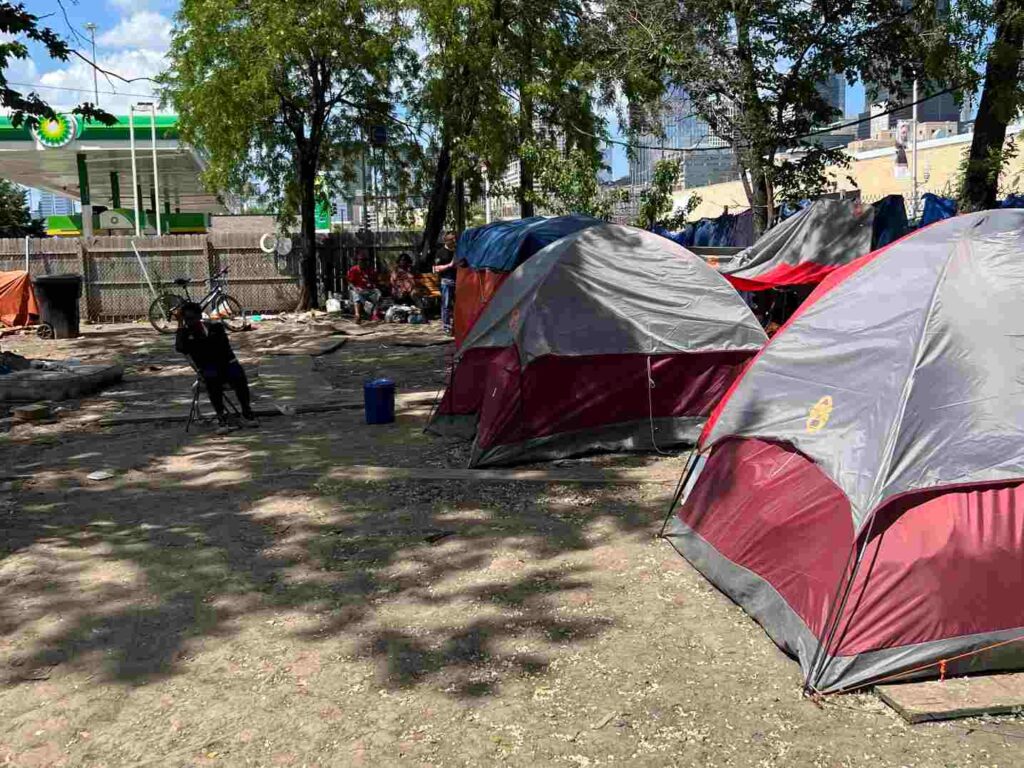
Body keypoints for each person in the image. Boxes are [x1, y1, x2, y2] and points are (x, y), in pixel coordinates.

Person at [174, 301, 257, 434]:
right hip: (208, 368)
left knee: (239, 375)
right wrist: (180, 324)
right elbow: (180, 348)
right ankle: (221, 416)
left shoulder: (216, 328)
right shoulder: (185, 334)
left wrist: (203, 348)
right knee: (212, 380)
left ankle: (246, 411)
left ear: (199, 316)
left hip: (225, 363)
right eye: (186, 319)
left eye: (192, 318)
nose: (190, 322)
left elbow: (224, 348)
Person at [432, 231, 458, 334]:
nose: (454, 241)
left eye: (455, 239)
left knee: (458, 305)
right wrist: (450, 265)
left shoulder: (458, 251)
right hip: (447, 282)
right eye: (451, 239)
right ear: (446, 240)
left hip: (459, 282)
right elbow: (435, 269)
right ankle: (447, 326)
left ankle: (457, 326)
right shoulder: (440, 252)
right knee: (446, 305)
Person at [347, 251, 382, 323]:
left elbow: (376, 281)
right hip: (358, 290)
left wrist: (374, 286)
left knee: (378, 292)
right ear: (358, 261)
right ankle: (357, 315)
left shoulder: (371, 270)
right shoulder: (354, 270)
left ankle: (375, 314)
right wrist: (355, 288)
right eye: (361, 260)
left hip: (368, 290)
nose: (362, 262)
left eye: (364, 261)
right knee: (356, 294)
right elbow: (350, 282)